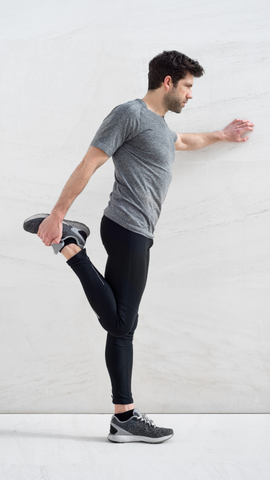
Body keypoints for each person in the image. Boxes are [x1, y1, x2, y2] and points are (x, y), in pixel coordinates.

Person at [23, 50, 254, 443]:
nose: (190, 95)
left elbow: (185, 139)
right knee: (121, 325)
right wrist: (58, 214)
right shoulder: (128, 114)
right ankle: (70, 245)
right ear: (168, 82)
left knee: (120, 327)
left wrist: (221, 135)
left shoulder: (161, 128)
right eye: (187, 86)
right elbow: (90, 163)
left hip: (138, 232)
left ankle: (123, 416)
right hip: (126, 227)